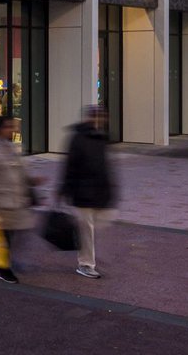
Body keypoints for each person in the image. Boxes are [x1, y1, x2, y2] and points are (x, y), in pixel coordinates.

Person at [59, 104, 116, 279]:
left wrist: (109, 190)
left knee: (94, 226)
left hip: (98, 191)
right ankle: (85, 264)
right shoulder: (78, 138)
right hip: (83, 192)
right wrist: (65, 189)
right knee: (87, 229)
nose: (100, 119)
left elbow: (105, 166)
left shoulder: (101, 137)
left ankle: (87, 257)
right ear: (90, 117)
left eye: (102, 116)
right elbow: (70, 166)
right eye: (97, 116)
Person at [0, 114, 39, 284]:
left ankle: (5, 262)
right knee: (5, 237)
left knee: (19, 232)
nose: (12, 130)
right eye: (8, 127)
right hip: (3, 203)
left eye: (12, 126)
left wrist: (32, 182)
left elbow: (20, 170)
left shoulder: (10, 147)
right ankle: (3, 269)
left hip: (17, 199)